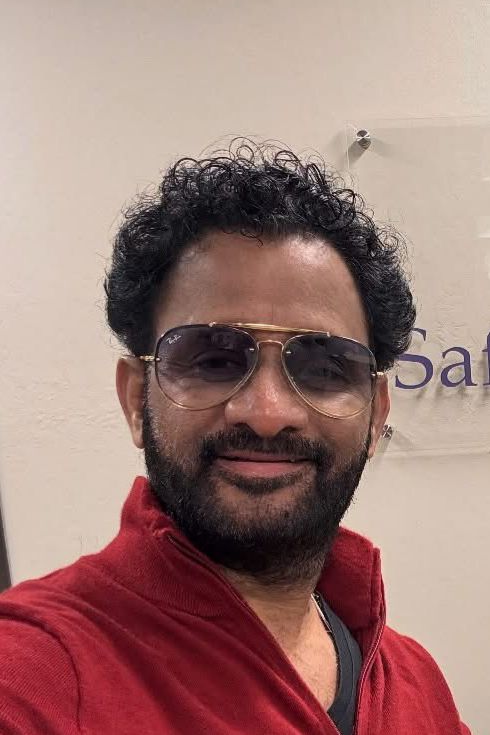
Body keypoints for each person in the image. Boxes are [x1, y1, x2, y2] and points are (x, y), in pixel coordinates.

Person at [0, 142, 470, 735]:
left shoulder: (414, 680)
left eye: (324, 367)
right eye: (212, 359)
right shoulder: (31, 677)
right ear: (136, 399)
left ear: (376, 414)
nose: (267, 413)